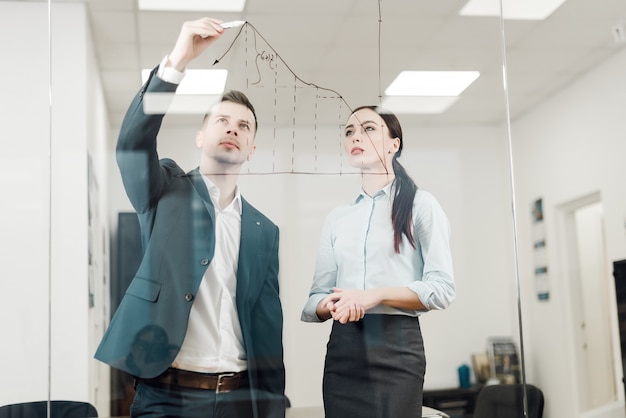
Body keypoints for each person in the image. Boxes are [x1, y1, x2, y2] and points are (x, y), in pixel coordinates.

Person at [95, 17, 286, 418]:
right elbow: (132, 143)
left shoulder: (264, 231)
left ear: (251, 148)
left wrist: (272, 405)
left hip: (239, 398)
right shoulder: (165, 189)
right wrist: (178, 60)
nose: (233, 129)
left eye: (243, 126)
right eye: (222, 120)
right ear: (201, 136)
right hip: (167, 397)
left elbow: (267, 323)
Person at [301, 105, 455, 418]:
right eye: (349, 132)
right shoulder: (337, 218)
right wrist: (334, 304)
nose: (356, 136)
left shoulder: (421, 205)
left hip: (397, 347)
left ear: (393, 144)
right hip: (343, 348)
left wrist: (375, 295)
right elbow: (315, 299)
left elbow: (442, 289)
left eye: (368, 128)